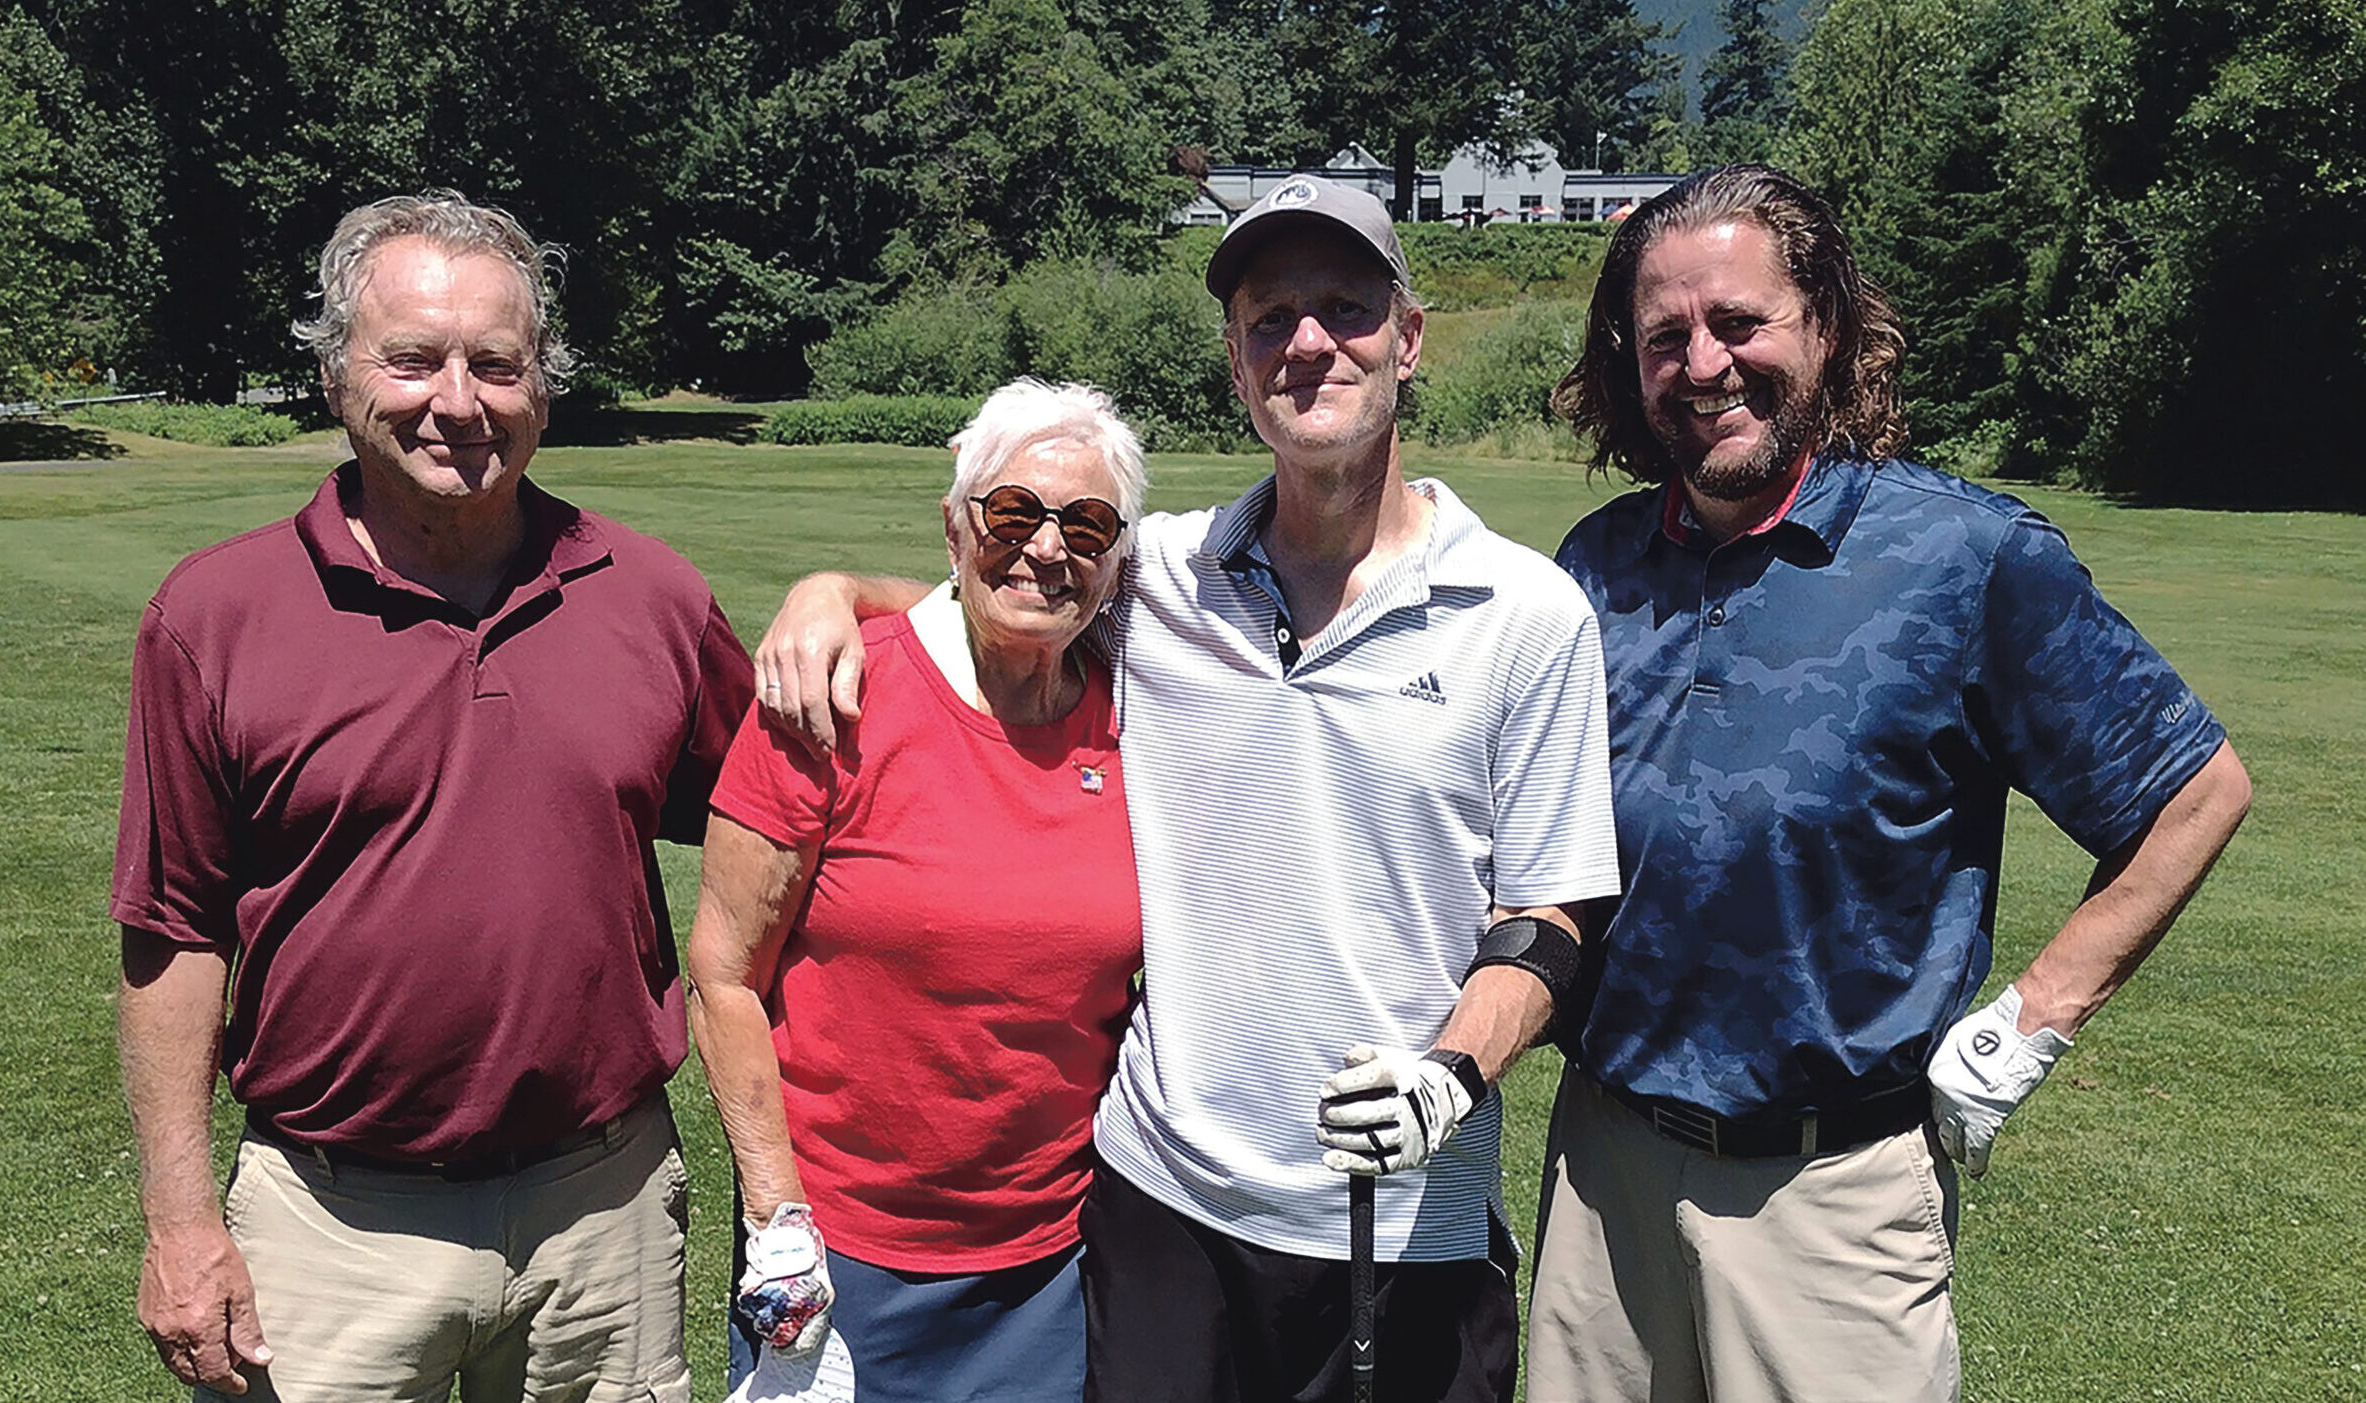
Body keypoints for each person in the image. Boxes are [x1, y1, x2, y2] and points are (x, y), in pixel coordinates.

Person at [757, 178, 1620, 1402]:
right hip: (1159, 1206)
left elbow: (1550, 917)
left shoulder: (1525, 613)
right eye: (1271, 318)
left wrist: (1449, 1074)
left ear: (1409, 340)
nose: (1308, 342)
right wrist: (834, 590)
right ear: (1234, 361)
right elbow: (1007, 602)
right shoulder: (1162, 572)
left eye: (1346, 309)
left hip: (1398, 1220)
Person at [1531, 163, 2253, 1403]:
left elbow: (2194, 789)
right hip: (1599, 1172)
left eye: (1739, 323)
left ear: (1826, 326)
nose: (1704, 365)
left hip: (1832, 1193)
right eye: (1665, 336)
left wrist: (2031, 1018)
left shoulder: (1964, 558)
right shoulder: (1593, 567)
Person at [110, 190, 756, 1403]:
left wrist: (851, 596)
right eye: (411, 357)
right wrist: (180, 1221)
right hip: (330, 1225)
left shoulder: (650, 596)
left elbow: (777, 816)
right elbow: (172, 932)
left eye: (496, 363)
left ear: (543, 384)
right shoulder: (215, 617)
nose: (457, 400)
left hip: (601, 1213)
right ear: (335, 373)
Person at [687, 379, 1146, 1402]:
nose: (1044, 546)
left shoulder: (1140, 722)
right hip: (841, 1252)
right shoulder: (835, 697)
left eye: (1087, 524)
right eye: (1012, 512)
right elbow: (720, 978)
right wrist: (778, 1221)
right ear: (955, 527)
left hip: (1050, 1261)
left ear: (1118, 564)